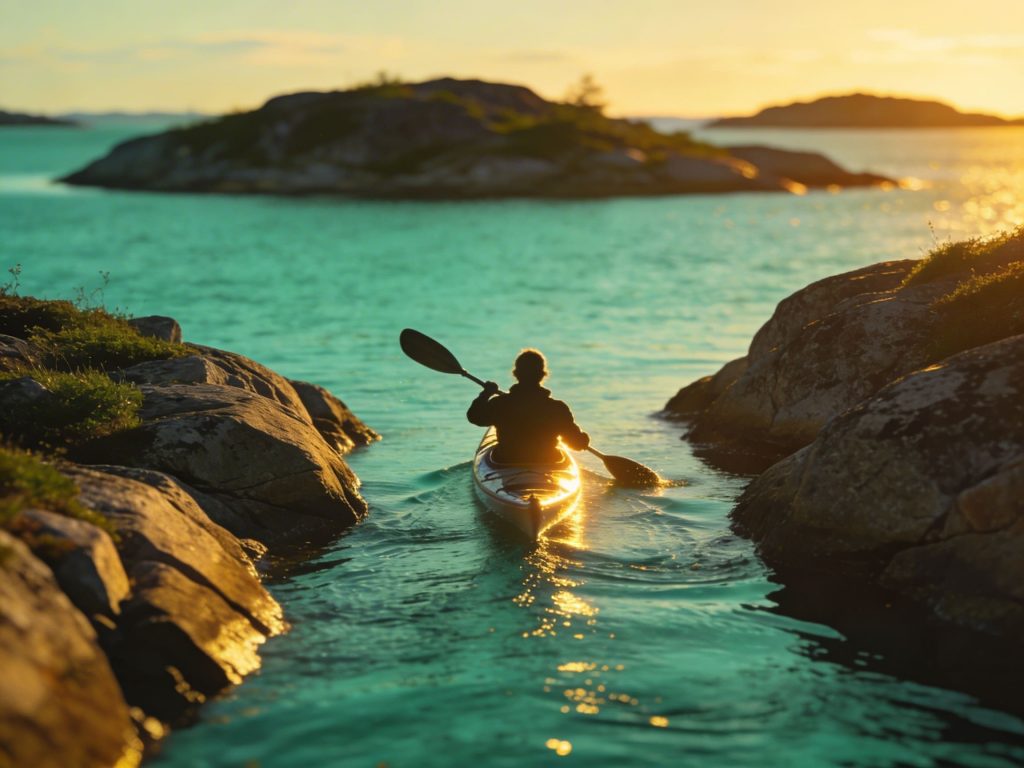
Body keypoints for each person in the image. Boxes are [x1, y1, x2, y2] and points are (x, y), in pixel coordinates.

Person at [467, 348, 589, 464]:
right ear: (542, 375)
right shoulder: (557, 408)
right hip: (546, 462)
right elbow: (577, 444)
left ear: (516, 374)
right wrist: (584, 440)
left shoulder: (501, 403)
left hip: (507, 461)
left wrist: (486, 393)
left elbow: (475, 416)